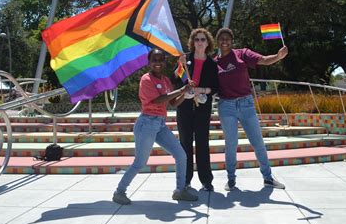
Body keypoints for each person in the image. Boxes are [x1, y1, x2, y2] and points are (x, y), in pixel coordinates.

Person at [112, 48, 198, 205]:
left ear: (165, 62)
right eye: (155, 60)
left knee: (181, 155)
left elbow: (172, 103)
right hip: (146, 124)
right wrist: (181, 89)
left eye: (161, 60)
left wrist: (185, 95)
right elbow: (158, 100)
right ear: (149, 63)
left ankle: (180, 191)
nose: (158, 63)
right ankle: (119, 192)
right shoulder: (146, 79)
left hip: (160, 124)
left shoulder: (165, 80)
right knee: (140, 162)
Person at [214, 27, 288, 191]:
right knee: (231, 144)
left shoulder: (242, 54)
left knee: (258, 142)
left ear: (232, 41)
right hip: (226, 106)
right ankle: (231, 179)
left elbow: (263, 60)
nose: (224, 41)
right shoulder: (214, 63)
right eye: (221, 39)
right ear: (218, 42)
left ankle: (268, 178)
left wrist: (278, 56)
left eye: (227, 38)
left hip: (246, 104)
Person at [174, 28, 219, 191]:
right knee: (185, 143)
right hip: (184, 107)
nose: (200, 42)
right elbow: (176, 79)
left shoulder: (212, 64)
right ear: (193, 42)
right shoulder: (185, 60)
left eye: (203, 39)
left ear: (208, 43)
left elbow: (215, 87)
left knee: (202, 142)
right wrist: (180, 66)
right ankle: (186, 179)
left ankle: (206, 179)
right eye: (197, 39)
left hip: (202, 108)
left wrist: (201, 90)